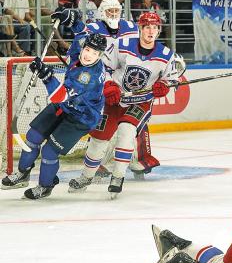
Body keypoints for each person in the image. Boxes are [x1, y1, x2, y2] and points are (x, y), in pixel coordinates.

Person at [67, 12, 181, 197]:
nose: (151, 31)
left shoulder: (166, 54)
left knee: (126, 132)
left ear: (159, 30)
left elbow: (172, 79)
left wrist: (164, 85)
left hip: (140, 102)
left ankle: (118, 177)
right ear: (140, 28)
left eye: (155, 27)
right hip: (115, 100)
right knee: (99, 139)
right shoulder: (123, 44)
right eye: (147, 27)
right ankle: (86, 177)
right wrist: (108, 84)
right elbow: (103, 67)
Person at [1, 33, 107, 199]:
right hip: (65, 106)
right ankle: (23, 173)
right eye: (87, 49)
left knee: (49, 151)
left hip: (81, 117)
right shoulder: (78, 50)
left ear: (100, 56)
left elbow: (60, 96)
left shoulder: (89, 77)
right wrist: (71, 20)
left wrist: (46, 75)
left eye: (95, 53)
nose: (89, 55)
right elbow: (80, 32)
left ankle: (45, 185)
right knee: (32, 137)